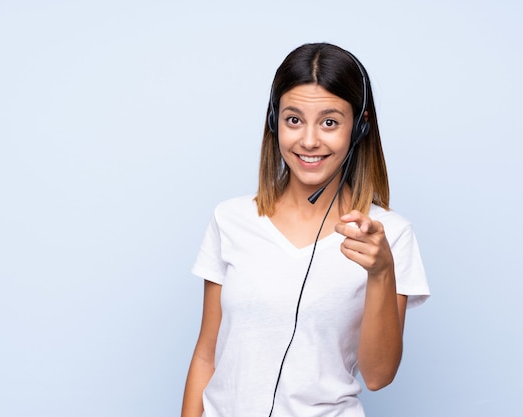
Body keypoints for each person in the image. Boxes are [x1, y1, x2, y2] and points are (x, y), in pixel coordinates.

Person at [181, 42, 430, 417]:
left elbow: (378, 376)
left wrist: (381, 273)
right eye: (293, 120)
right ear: (273, 121)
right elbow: (205, 355)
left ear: (360, 127)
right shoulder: (230, 219)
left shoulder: (389, 235)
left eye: (329, 122)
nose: (309, 140)